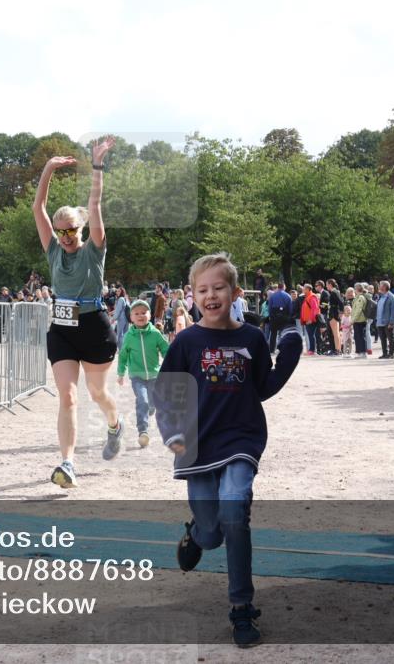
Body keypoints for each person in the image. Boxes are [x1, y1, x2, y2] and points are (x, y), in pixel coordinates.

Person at [154, 253, 302, 648]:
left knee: (235, 510)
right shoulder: (186, 341)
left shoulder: (251, 338)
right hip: (197, 445)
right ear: (192, 295)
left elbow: (264, 387)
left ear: (235, 293)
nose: (211, 295)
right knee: (213, 534)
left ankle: (242, 608)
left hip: (241, 439)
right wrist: (171, 434)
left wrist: (290, 349)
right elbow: (167, 393)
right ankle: (196, 534)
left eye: (219, 287)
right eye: (202, 289)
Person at [33, 137, 122, 488]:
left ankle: (115, 424)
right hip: (63, 329)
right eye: (61, 231)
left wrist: (96, 165)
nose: (67, 236)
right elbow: (37, 207)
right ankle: (68, 463)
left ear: (81, 229)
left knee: (98, 394)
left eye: (72, 230)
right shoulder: (53, 251)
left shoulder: (94, 249)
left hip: (94, 326)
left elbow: (95, 204)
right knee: (68, 396)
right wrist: (48, 169)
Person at [116, 299, 169, 448]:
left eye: (144, 312)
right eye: (136, 313)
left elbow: (166, 350)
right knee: (143, 401)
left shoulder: (155, 333)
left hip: (154, 375)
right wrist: (121, 373)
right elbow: (123, 356)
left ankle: (151, 408)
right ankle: (143, 432)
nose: (140, 315)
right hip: (137, 376)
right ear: (131, 317)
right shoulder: (129, 336)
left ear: (150, 315)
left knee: (152, 403)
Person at [266, 283, 293, 354]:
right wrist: (289, 317)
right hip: (284, 315)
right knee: (284, 333)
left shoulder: (272, 296)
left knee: (273, 334)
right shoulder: (288, 296)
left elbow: (269, 307)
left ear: (278, 287)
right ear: (284, 287)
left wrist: (271, 316)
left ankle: (272, 350)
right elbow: (290, 308)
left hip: (274, 315)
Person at [374, 281, 394, 359]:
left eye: (380, 285)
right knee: (382, 338)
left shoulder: (391, 297)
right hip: (380, 321)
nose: (379, 287)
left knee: (390, 338)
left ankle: (391, 354)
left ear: (384, 287)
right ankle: (384, 353)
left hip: (388, 321)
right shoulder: (380, 296)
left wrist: (391, 322)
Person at [324, 279, 344, 356]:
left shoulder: (335, 292)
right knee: (333, 333)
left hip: (334, 314)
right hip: (332, 313)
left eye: (327, 284)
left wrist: (341, 312)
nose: (326, 286)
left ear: (330, 284)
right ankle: (335, 349)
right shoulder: (333, 292)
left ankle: (338, 350)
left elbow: (341, 302)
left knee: (336, 333)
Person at [299, 284, 319, 356]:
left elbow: (315, 308)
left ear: (307, 289)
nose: (303, 290)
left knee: (311, 335)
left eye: (304, 289)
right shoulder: (307, 297)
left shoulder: (312, 297)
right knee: (310, 334)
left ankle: (312, 350)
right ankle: (311, 350)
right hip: (307, 320)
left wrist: (311, 319)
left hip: (311, 320)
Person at [351, 283, 368, 358]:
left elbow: (358, 309)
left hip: (360, 320)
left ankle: (363, 352)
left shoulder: (360, 297)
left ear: (357, 289)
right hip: (357, 320)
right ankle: (359, 352)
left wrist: (353, 319)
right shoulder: (357, 297)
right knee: (357, 336)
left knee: (360, 336)